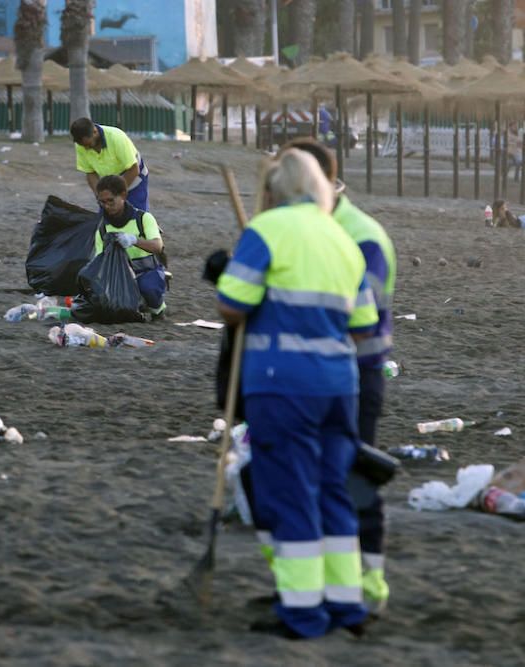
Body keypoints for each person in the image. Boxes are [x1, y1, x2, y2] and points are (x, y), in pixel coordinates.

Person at [216, 149, 378, 639]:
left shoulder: (267, 231)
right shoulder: (342, 239)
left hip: (281, 382)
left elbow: (232, 305)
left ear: (272, 190)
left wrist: (225, 270)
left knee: (290, 492)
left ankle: (303, 613)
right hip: (339, 386)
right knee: (333, 491)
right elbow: (363, 327)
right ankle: (346, 607)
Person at [271, 137, 396, 616]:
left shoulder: (359, 235)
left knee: (352, 483)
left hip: (353, 378)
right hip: (318, 376)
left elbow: (368, 323)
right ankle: (327, 589)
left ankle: (371, 586)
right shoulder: (309, 226)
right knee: (317, 484)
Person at [93, 175, 167, 318]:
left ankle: (157, 307)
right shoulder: (102, 228)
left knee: (149, 289)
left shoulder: (144, 218)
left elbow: (158, 246)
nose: (107, 206)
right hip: (119, 276)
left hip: (146, 272)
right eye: (102, 202)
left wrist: (134, 240)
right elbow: (98, 261)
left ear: (123, 195)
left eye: (111, 201)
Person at [71, 117, 150, 211]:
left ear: (95, 132)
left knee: (136, 215)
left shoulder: (116, 137)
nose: (86, 149)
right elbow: (90, 172)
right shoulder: (81, 145)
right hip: (109, 181)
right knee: (106, 218)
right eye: (83, 146)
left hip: (132, 176)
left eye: (89, 145)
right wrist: (99, 194)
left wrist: (117, 194)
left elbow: (133, 169)